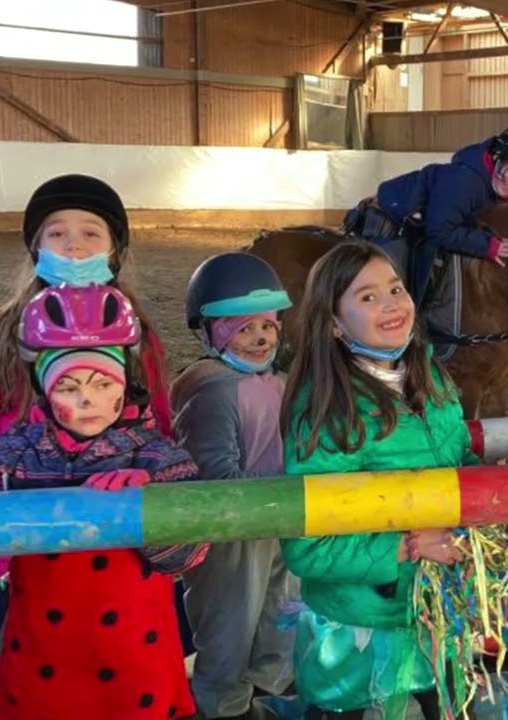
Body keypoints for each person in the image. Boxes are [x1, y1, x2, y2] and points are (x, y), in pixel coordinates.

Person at [0, 173, 175, 720]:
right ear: (35, 249)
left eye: (90, 233)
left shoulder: (141, 337)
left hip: (108, 538)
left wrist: (145, 473)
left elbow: (158, 423)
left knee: (111, 661)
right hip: (11, 535)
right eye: (56, 233)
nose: (73, 244)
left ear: (115, 250)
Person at [0, 283, 207, 720]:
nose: (88, 400)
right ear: (43, 390)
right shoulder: (17, 453)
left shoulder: (155, 455)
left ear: (124, 383)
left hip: (133, 657)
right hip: (44, 654)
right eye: (68, 386)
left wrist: (150, 505)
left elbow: (189, 554)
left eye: (103, 384)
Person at [277, 241, 478, 720]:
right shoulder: (326, 414)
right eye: (367, 297)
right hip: (358, 630)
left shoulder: (433, 380)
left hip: (436, 613)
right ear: (333, 323)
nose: (391, 303)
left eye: (395, 288)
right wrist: (408, 548)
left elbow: (460, 464)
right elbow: (309, 548)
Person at [171, 252, 298, 720]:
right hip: (233, 535)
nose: (260, 339)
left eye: (267, 327)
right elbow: (216, 476)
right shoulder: (212, 391)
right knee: (229, 632)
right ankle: (222, 708)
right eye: (243, 329)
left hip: (280, 523)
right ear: (212, 332)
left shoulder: (279, 382)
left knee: (276, 623)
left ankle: (256, 703)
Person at [343, 121, 508, 305]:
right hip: (393, 217)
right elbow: (440, 230)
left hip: (423, 221)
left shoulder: (492, 185)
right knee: (393, 282)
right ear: (499, 156)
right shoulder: (465, 181)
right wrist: (487, 246)